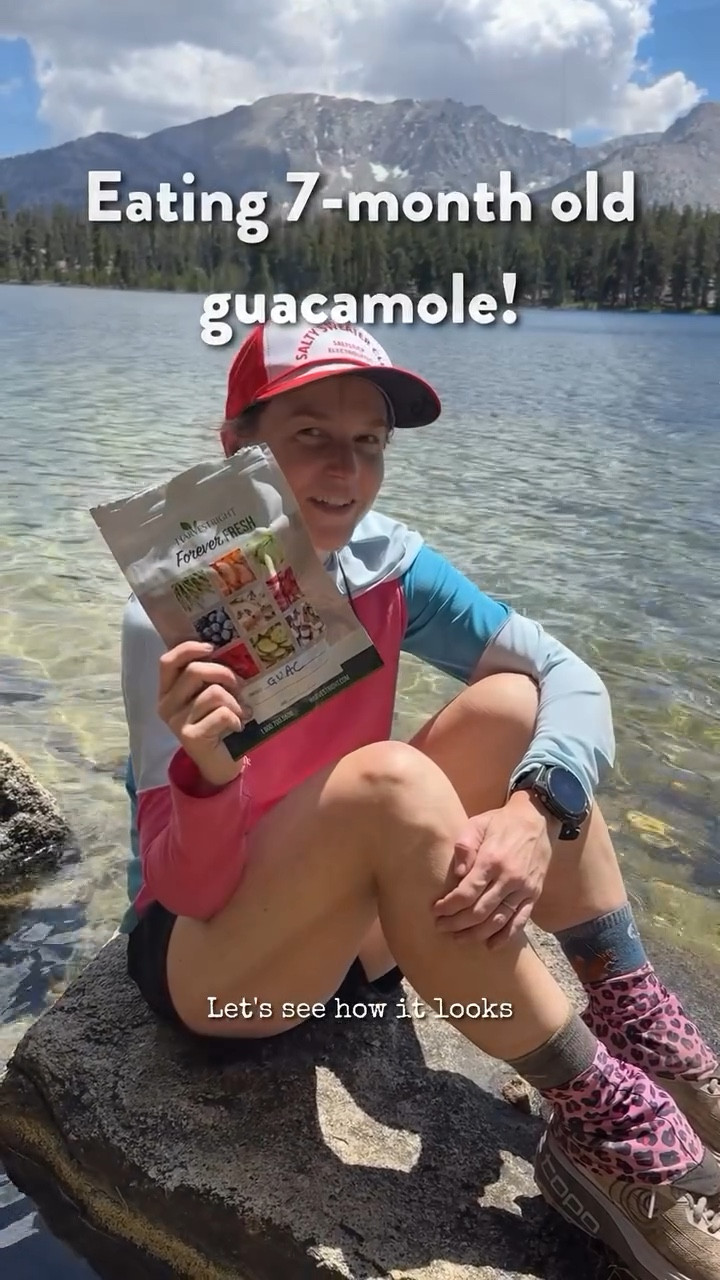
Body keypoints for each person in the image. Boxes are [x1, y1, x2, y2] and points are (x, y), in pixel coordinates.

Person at [120, 319, 720, 1280]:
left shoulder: (391, 564)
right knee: (389, 780)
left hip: (354, 940)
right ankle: (610, 1128)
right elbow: (185, 887)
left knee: (517, 709)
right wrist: (206, 769)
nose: (344, 470)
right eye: (309, 433)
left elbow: (572, 676)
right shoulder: (170, 618)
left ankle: (640, 1026)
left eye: (369, 442)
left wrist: (535, 810)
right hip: (225, 974)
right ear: (236, 449)